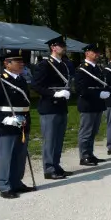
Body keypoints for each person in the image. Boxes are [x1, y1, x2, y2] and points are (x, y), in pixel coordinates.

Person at [0, 48, 34, 199]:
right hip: (6, 124)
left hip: (22, 122)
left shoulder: (21, 80)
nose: (21, 64)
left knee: (19, 155)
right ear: (7, 63)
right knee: (5, 156)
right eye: (17, 61)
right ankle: (4, 185)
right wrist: (4, 119)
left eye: (21, 61)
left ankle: (16, 182)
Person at [31, 36, 72, 180]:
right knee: (50, 139)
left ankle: (56, 165)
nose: (64, 47)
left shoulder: (64, 64)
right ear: (53, 48)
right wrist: (54, 94)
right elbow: (36, 85)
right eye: (61, 45)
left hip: (61, 106)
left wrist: (67, 92)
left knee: (59, 139)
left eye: (64, 45)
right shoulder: (45, 65)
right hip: (49, 106)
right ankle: (49, 168)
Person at [74, 43, 109, 166]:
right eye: (94, 52)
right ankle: (84, 156)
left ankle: (90, 154)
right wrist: (98, 94)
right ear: (87, 53)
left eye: (97, 52)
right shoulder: (82, 68)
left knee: (94, 131)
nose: (97, 54)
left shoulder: (97, 68)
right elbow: (81, 89)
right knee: (86, 132)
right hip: (88, 104)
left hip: (98, 104)